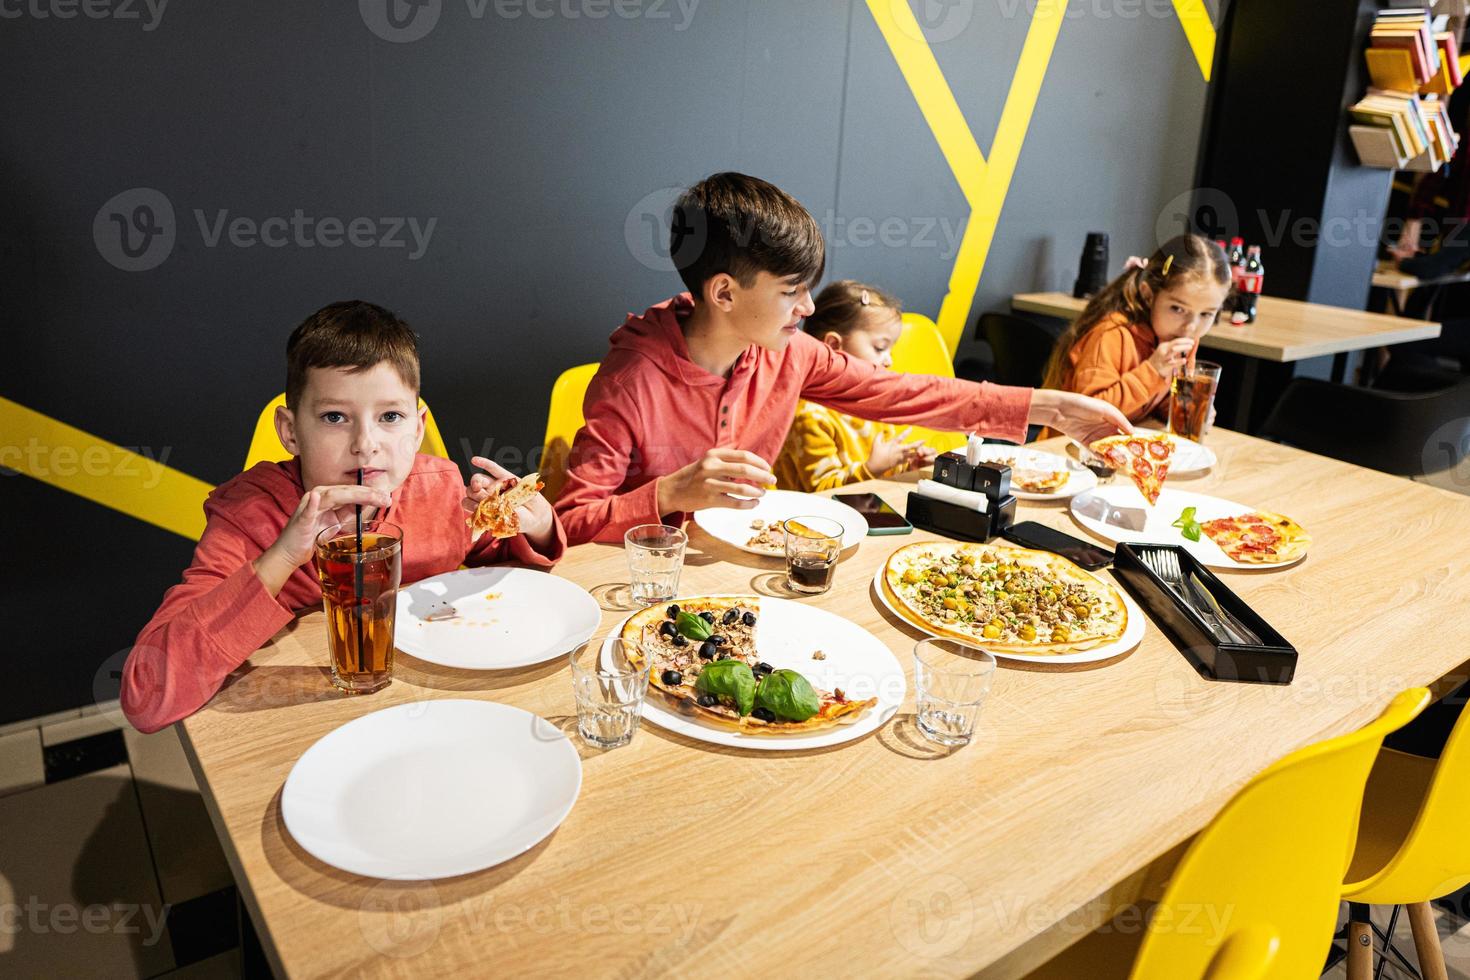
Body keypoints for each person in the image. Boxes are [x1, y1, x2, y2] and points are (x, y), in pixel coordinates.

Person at [554, 171, 1131, 545]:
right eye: (790, 291)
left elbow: (908, 392)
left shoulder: (789, 355)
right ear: (724, 293)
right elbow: (569, 524)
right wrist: (669, 495)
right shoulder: (631, 379)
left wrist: (1047, 406)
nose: (807, 307)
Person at [121, 301, 565, 733]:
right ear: (290, 431)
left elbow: (512, 569)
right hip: (305, 717)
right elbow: (146, 694)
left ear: (417, 429)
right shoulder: (248, 516)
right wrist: (279, 558)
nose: (365, 443)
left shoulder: (442, 489)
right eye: (335, 417)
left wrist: (533, 523)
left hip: (435, 707)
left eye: (390, 416)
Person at [1041, 235, 1231, 425]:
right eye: (1177, 309)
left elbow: (1150, 403)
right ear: (1148, 295)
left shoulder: (1177, 336)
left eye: (1206, 314)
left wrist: (1184, 408)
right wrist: (1152, 371)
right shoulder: (1111, 334)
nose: (1191, 326)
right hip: (1064, 448)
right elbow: (1091, 413)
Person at [773, 280, 937, 492]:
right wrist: (871, 468)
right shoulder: (809, 415)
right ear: (833, 346)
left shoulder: (874, 403)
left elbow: (880, 474)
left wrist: (907, 467)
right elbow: (824, 491)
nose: (889, 361)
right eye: (880, 348)